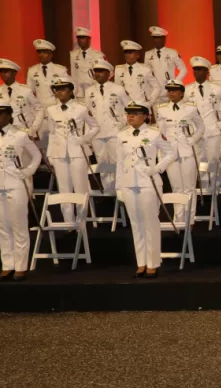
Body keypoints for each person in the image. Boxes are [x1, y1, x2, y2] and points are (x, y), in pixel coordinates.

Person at [0, 100, 40, 281]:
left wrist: (27, 172)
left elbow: (36, 155)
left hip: (15, 184)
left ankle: (20, 266)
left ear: (8, 114)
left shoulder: (20, 134)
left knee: (18, 225)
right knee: (2, 226)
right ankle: (7, 264)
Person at [116, 101, 175, 278]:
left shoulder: (154, 133)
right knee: (136, 224)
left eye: (135, 113)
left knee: (150, 223)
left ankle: (153, 262)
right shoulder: (121, 135)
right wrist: (119, 186)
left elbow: (171, 153)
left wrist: (157, 168)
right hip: (129, 182)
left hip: (148, 182)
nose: (130, 116)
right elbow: (120, 162)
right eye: (128, 113)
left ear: (145, 116)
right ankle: (141, 262)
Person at [44, 75, 99, 223]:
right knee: (63, 189)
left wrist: (84, 139)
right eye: (57, 89)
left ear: (70, 91)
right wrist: (50, 154)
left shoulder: (81, 108)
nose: (59, 92)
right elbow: (52, 133)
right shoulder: (51, 110)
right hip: (59, 153)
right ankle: (68, 222)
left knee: (80, 187)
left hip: (78, 152)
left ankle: (81, 222)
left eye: (62, 89)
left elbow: (95, 127)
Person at [155, 80, 205, 221]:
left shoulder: (190, 108)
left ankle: (190, 219)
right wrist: (161, 154)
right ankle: (179, 218)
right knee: (176, 187)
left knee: (189, 187)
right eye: (169, 90)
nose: (170, 93)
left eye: (174, 90)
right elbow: (160, 133)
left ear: (181, 93)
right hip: (170, 152)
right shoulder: (161, 109)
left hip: (187, 150)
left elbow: (201, 127)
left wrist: (192, 139)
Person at [184, 56, 221, 190]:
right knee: (201, 161)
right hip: (196, 132)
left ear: (207, 71)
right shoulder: (187, 89)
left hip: (212, 130)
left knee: (213, 160)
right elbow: (184, 110)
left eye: (200, 69)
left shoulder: (216, 88)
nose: (197, 72)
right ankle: (205, 186)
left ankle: (214, 188)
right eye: (195, 69)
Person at [84, 59, 131, 193]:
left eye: (100, 71)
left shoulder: (118, 89)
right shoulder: (89, 91)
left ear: (109, 73)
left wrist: (121, 123)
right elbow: (87, 114)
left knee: (117, 161)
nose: (97, 74)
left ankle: (120, 191)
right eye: (96, 71)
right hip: (97, 133)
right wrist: (88, 135)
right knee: (102, 163)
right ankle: (108, 192)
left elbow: (129, 108)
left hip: (115, 131)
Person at [0, 58, 41, 137]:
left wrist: (34, 128)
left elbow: (40, 109)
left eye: (6, 71)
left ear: (14, 73)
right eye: (1, 72)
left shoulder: (25, 90)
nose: (3, 74)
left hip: (24, 129)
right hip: (6, 130)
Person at [115, 40, 162, 112]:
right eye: (125, 52)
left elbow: (157, 87)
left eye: (130, 52)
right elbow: (117, 89)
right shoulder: (118, 69)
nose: (127, 55)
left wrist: (149, 102)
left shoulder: (145, 69)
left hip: (141, 106)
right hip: (125, 108)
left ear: (137, 55)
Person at [70, 27, 106, 100]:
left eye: (83, 38)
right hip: (79, 92)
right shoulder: (73, 55)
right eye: (79, 38)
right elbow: (73, 73)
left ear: (89, 39)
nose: (80, 40)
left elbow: (105, 73)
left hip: (94, 90)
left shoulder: (97, 55)